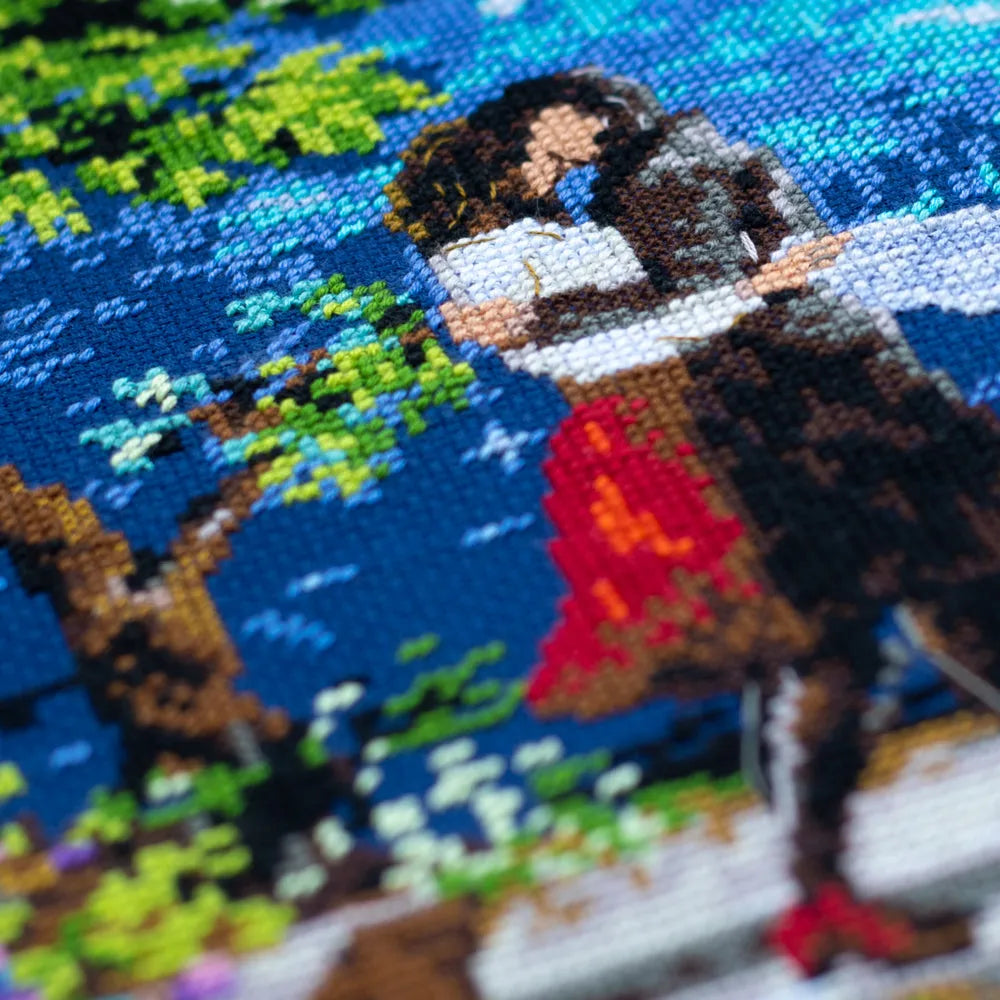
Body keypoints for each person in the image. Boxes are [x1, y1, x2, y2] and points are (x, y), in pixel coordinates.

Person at [385, 69, 1000, 973]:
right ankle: (821, 896)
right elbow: (643, 325)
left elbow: (672, 299)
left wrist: (745, 277)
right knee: (830, 645)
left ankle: (822, 895)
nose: (601, 133)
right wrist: (751, 286)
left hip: (734, 420)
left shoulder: (592, 210)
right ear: (527, 126)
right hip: (686, 441)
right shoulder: (502, 247)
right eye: (585, 117)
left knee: (868, 631)